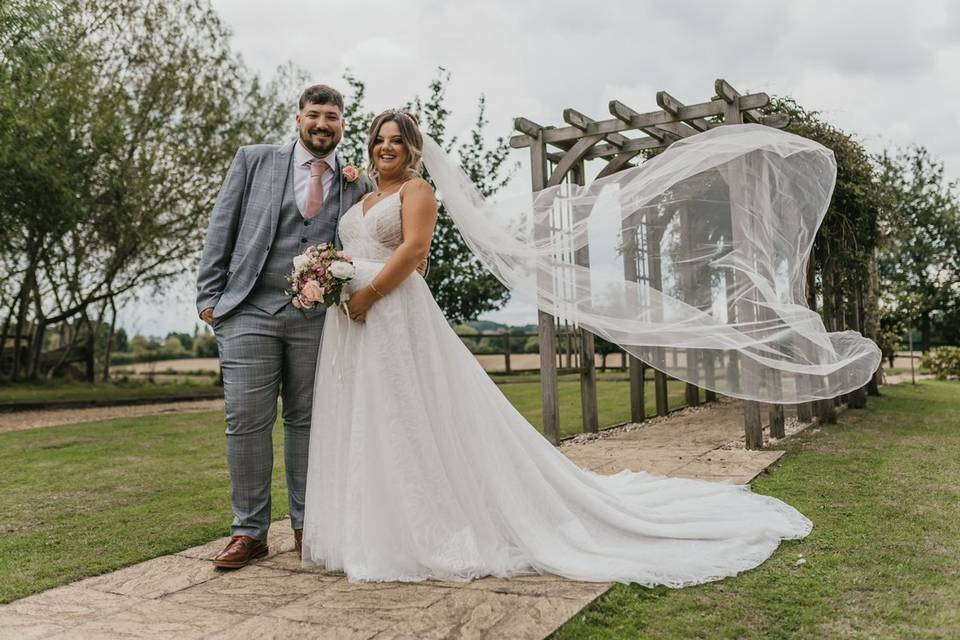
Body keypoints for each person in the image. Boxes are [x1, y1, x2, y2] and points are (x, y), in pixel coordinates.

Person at [299, 109, 812, 587]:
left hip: (392, 313)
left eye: (397, 141)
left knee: (409, 413)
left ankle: (424, 528)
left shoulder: (417, 191)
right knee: (366, 415)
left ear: (414, 150)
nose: (386, 148)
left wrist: (366, 292)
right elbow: (354, 249)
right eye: (379, 140)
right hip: (354, 325)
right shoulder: (359, 197)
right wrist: (327, 276)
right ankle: (368, 528)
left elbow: (414, 250)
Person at [195, 84, 376, 569]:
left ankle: (307, 526)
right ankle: (248, 532)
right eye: (314, 115)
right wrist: (209, 300)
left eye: (332, 117)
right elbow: (222, 227)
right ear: (299, 119)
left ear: (342, 124)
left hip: (318, 320)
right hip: (248, 310)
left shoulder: (357, 181)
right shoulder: (254, 161)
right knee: (246, 422)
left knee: (310, 422)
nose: (323, 124)